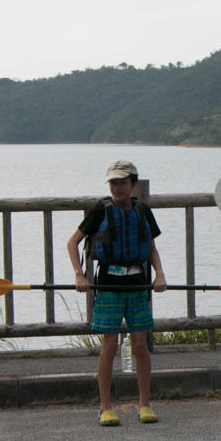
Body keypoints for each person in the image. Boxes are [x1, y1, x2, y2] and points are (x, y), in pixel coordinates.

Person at [67, 160, 167, 426]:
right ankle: (105, 408)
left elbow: (151, 248)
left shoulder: (143, 211)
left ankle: (144, 404)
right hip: (109, 284)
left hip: (137, 284)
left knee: (139, 345)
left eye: (122, 182)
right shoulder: (101, 209)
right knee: (109, 345)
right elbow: (73, 242)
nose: (117, 187)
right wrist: (80, 274)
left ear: (132, 183)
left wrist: (160, 274)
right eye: (113, 182)